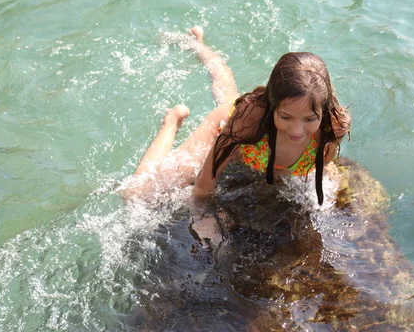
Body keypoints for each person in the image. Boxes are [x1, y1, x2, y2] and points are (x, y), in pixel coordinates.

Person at [122, 27, 350, 237]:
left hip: (247, 121)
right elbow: (205, 180)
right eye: (286, 117)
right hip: (225, 125)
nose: (297, 130)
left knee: (226, 89)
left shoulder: (334, 126)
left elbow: (323, 163)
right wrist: (201, 214)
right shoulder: (248, 119)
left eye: (310, 119)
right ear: (272, 106)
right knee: (137, 196)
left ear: (324, 111)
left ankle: (198, 42)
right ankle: (172, 121)